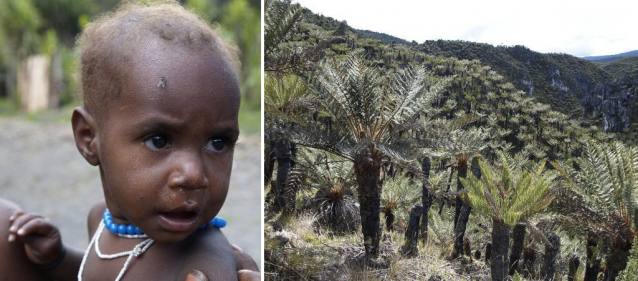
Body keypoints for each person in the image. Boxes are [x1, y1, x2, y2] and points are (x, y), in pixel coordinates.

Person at [5, 1, 260, 280]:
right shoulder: (102, 220)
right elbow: (103, 271)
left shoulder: (204, 262)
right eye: (160, 140)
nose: (193, 175)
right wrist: (58, 259)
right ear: (88, 138)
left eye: (218, 143)